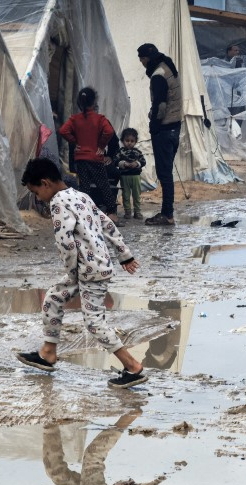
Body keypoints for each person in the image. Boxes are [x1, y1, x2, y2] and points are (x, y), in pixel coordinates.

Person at [15, 158, 146, 389]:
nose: (38, 198)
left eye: (36, 192)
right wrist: (124, 254)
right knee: (53, 298)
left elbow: (66, 242)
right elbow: (107, 223)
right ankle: (48, 352)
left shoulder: (57, 203)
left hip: (87, 271)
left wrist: (71, 271)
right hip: (94, 266)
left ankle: (133, 367)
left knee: (94, 322)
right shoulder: (82, 196)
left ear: (45, 183)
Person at [58, 87, 122, 227]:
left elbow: (63, 130)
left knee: (84, 187)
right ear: (94, 102)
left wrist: (75, 142)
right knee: (104, 185)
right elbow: (109, 131)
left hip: (81, 159)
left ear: (79, 103)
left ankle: (85, 217)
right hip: (95, 158)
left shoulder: (74, 119)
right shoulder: (100, 119)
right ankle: (112, 214)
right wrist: (101, 146)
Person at [137, 43, 181, 226]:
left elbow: (161, 106)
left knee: (164, 174)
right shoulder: (167, 66)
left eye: (142, 59)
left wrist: (153, 126)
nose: (141, 63)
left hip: (164, 129)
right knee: (167, 172)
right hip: (175, 126)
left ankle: (167, 214)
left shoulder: (158, 75)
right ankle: (167, 212)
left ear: (147, 58)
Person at [115, 128, 146, 220]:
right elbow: (115, 161)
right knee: (126, 195)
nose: (129, 143)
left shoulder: (138, 152)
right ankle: (127, 212)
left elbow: (143, 161)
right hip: (124, 176)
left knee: (136, 194)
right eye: (127, 140)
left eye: (132, 141)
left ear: (135, 142)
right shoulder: (120, 152)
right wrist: (123, 163)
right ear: (122, 141)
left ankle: (137, 212)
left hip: (136, 176)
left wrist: (137, 163)